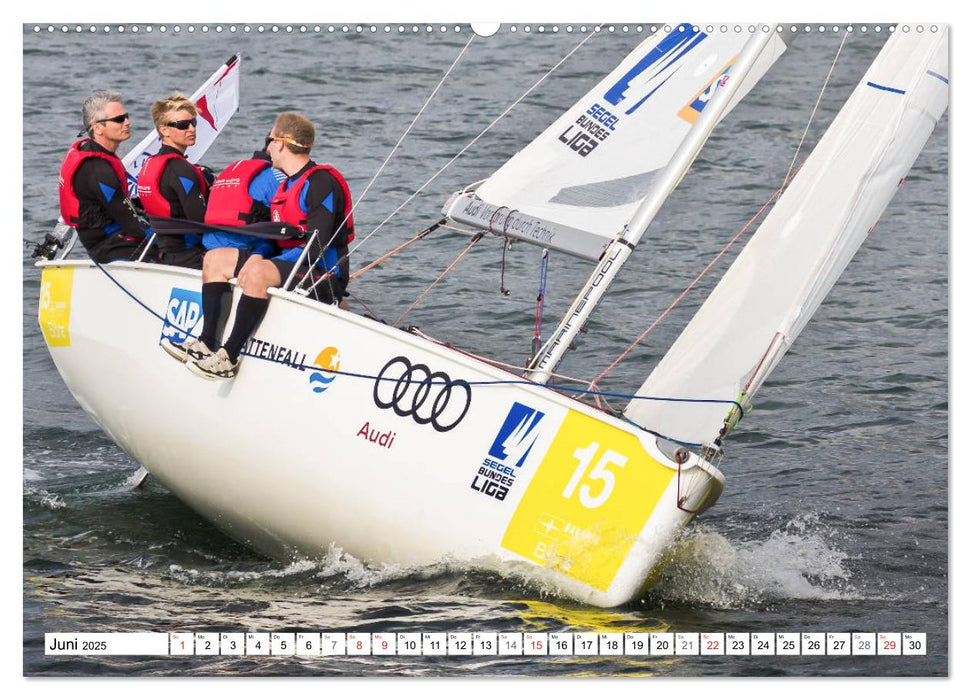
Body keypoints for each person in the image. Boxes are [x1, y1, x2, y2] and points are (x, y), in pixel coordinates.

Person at [175, 112, 354, 381]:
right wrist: (257, 256)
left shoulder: (320, 183)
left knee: (257, 272)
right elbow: (274, 242)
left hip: (324, 274)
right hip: (289, 263)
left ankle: (228, 358)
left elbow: (317, 246)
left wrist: (260, 265)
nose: (266, 146)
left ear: (281, 143)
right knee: (215, 259)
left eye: (270, 140)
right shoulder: (287, 183)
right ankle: (207, 342)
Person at [158, 139, 285, 364]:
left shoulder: (231, 171)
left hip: (209, 251)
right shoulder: (279, 178)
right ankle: (215, 347)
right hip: (247, 252)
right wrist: (261, 251)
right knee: (219, 260)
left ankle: (211, 344)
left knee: (214, 259)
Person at [58, 91, 151, 262]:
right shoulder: (98, 169)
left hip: (113, 237)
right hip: (111, 247)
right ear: (98, 127)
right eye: (119, 119)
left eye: (126, 116)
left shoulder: (94, 151)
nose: (127, 122)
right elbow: (132, 226)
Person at [136, 93, 208, 268]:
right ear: (163, 130)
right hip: (190, 256)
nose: (191, 129)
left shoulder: (151, 163)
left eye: (194, 123)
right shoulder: (181, 169)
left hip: (165, 252)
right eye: (182, 125)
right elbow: (201, 220)